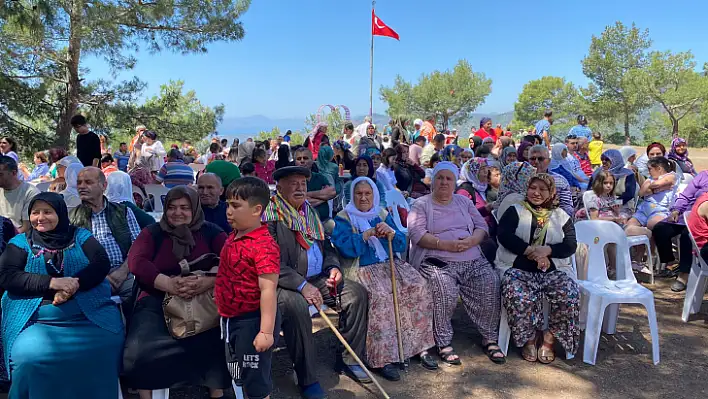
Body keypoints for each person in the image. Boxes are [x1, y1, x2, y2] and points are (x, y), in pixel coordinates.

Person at [0, 192, 123, 398]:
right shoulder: (20, 243)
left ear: (61, 213)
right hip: (36, 319)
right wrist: (52, 283)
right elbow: (7, 276)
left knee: (105, 346)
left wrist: (74, 284)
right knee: (30, 358)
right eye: (35, 212)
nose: (40, 217)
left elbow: (101, 263)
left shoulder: (81, 236)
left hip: (87, 315)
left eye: (47, 212)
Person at [263, 166, 370, 398]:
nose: (300, 187)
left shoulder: (309, 213)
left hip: (317, 277)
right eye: (293, 183)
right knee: (297, 307)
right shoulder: (270, 217)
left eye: (303, 183)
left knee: (356, 294)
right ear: (279, 188)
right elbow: (270, 262)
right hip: (285, 284)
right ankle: (307, 378)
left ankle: (350, 358)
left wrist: (332, 267)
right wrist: (302, 285)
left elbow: (326, 246)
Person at [124, 186, 230, 399]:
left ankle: (216, 393)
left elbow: (231, 260)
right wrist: (168, 283)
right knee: (140, 348)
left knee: (213, 341)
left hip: (201, 300)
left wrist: (207, 281)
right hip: (156, 297)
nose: (177, 212)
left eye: (184, 207)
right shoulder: (153, 232)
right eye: (171, 207)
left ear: (195, 209)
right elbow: (137, 262)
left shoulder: (211, 231)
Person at [332, 177, 437, 380]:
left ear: (374, 195)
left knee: (418, 286)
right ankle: (383, 358)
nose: (363, 197)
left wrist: (390, 233)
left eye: (367, 193)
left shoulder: (381, 213)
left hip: (389, 266)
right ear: (352, 196)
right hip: (362, 269)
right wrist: (366, 235)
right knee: (381, 297)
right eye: (359, 194)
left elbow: (399, 243)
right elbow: (344, 247)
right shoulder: (343, 217)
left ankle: (418, 347)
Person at [408, 162, 505, 366]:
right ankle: (443, 342)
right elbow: (416, 234)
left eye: (448, 178)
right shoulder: (421, 204)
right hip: (437, 259)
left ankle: (489, 337)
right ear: (433, 181)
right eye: (440, 178)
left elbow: (481, 226)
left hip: (470, 256)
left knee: (490, 280)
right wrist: (445, 245)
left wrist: (472, 240)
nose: (444, 182)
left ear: (455, 182)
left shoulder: (463, 202)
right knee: (443, 288)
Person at [496, 174, 580, 364]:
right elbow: (504, 235)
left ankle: (549, 339)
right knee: (516, 293)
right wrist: (530, 251)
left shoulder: (561, 216)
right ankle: (529, 338)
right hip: (517, 267)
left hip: (553, 269)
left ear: (552, 193)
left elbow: (570, 245)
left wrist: (548, 251)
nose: (536, 193)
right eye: (533, 188)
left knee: (569, 294)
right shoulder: (515, 210)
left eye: (543, 189)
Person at [216, 177, 280, 399]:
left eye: (235, 206)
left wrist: (266, 331)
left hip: (253, 321)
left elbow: (268, 289)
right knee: (237, 371)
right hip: (230, 319)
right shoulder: (234, 236)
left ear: (256, 210)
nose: (229, 211)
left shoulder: (263, 245)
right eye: (227, 205)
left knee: (255, 380)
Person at [69, 167, 142, 302]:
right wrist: (97, 276)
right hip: (90, 274)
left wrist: (122, 272)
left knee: (140, 297)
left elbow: (138, 246)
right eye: (79, 183)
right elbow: (71, 256)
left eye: (88, 182)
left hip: (124, 270)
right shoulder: (72, 218)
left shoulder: (123, 212)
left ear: (104, 186)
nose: (82, 187)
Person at [652, 170, 708, 291]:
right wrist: (676, 210)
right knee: (660, 229)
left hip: (702, 219)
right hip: (685, 215)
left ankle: (684, 274)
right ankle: (671, 263)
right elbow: (686, 195)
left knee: (687, 236)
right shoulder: (703, 176)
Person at [625, 157, 677, 232]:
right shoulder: (650, 178)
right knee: (629, 226)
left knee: (652, 224)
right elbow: (641, 193)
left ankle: (649, 237)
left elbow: (655, 184)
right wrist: (659, 188)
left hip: (660, 209)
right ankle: (644, 237)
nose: (649, 172)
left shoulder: (671, 176)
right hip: (644, 208)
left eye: (650, 169)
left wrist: (650, 187)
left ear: (659, 168)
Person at [292, 147, 336, 225]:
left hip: (324, 222)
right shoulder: (292, 181)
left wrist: (307, 195)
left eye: (305, 158)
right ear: (295, 162)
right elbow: (300, 202)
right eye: (299, 159)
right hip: (302, 223)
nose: (302, 161)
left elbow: (332, 192)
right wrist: (323, 198)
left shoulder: (320, 177)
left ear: (312, 161)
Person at [527, 146, 574, 217]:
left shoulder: (560, 181)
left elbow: (567, 207)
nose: (536, 162)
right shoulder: (522, 180)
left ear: (549, 161)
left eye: (540, 159)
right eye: (532, 159)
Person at [0, 156, 40, 233]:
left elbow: (26, 228)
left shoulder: (30, 193)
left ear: (14, 173)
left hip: (16, 238)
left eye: (0, 174)